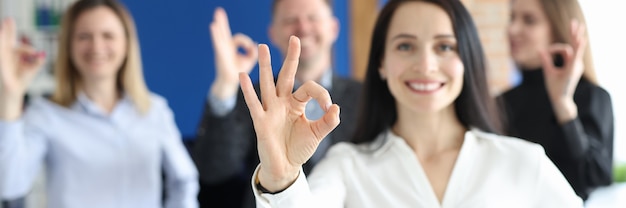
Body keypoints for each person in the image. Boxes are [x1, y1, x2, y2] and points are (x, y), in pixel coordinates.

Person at [240, 0, 584, 207]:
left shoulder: (521, 161)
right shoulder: (347, 165)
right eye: (405, 46)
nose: (425, 64)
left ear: (467, 60)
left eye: (445, 46)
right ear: (381, 63)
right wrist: (282, 177)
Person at [0, 0, 198, 207]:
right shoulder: (46, 114)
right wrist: (11, 95)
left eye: (108, 36)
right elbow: (10, 185)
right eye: (84, 36)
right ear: (68, 46)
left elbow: (185, 181)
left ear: (127, 44)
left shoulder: (154, 110)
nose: (96, 46)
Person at [192, 0, 361, 207]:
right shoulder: (254, 97)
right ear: (273, 33)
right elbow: (213, 169)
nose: (303, 27)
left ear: (333, 28)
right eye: (290, 20)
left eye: (313, 18)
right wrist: (225, 86)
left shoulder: (364, 96)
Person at [501, 0, 614, 200]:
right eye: (512, 18)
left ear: (558, 28)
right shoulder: (500, 103)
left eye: (529, 20)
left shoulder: (592, 98)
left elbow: (593, 179)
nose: (513, 29)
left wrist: (563, 105)